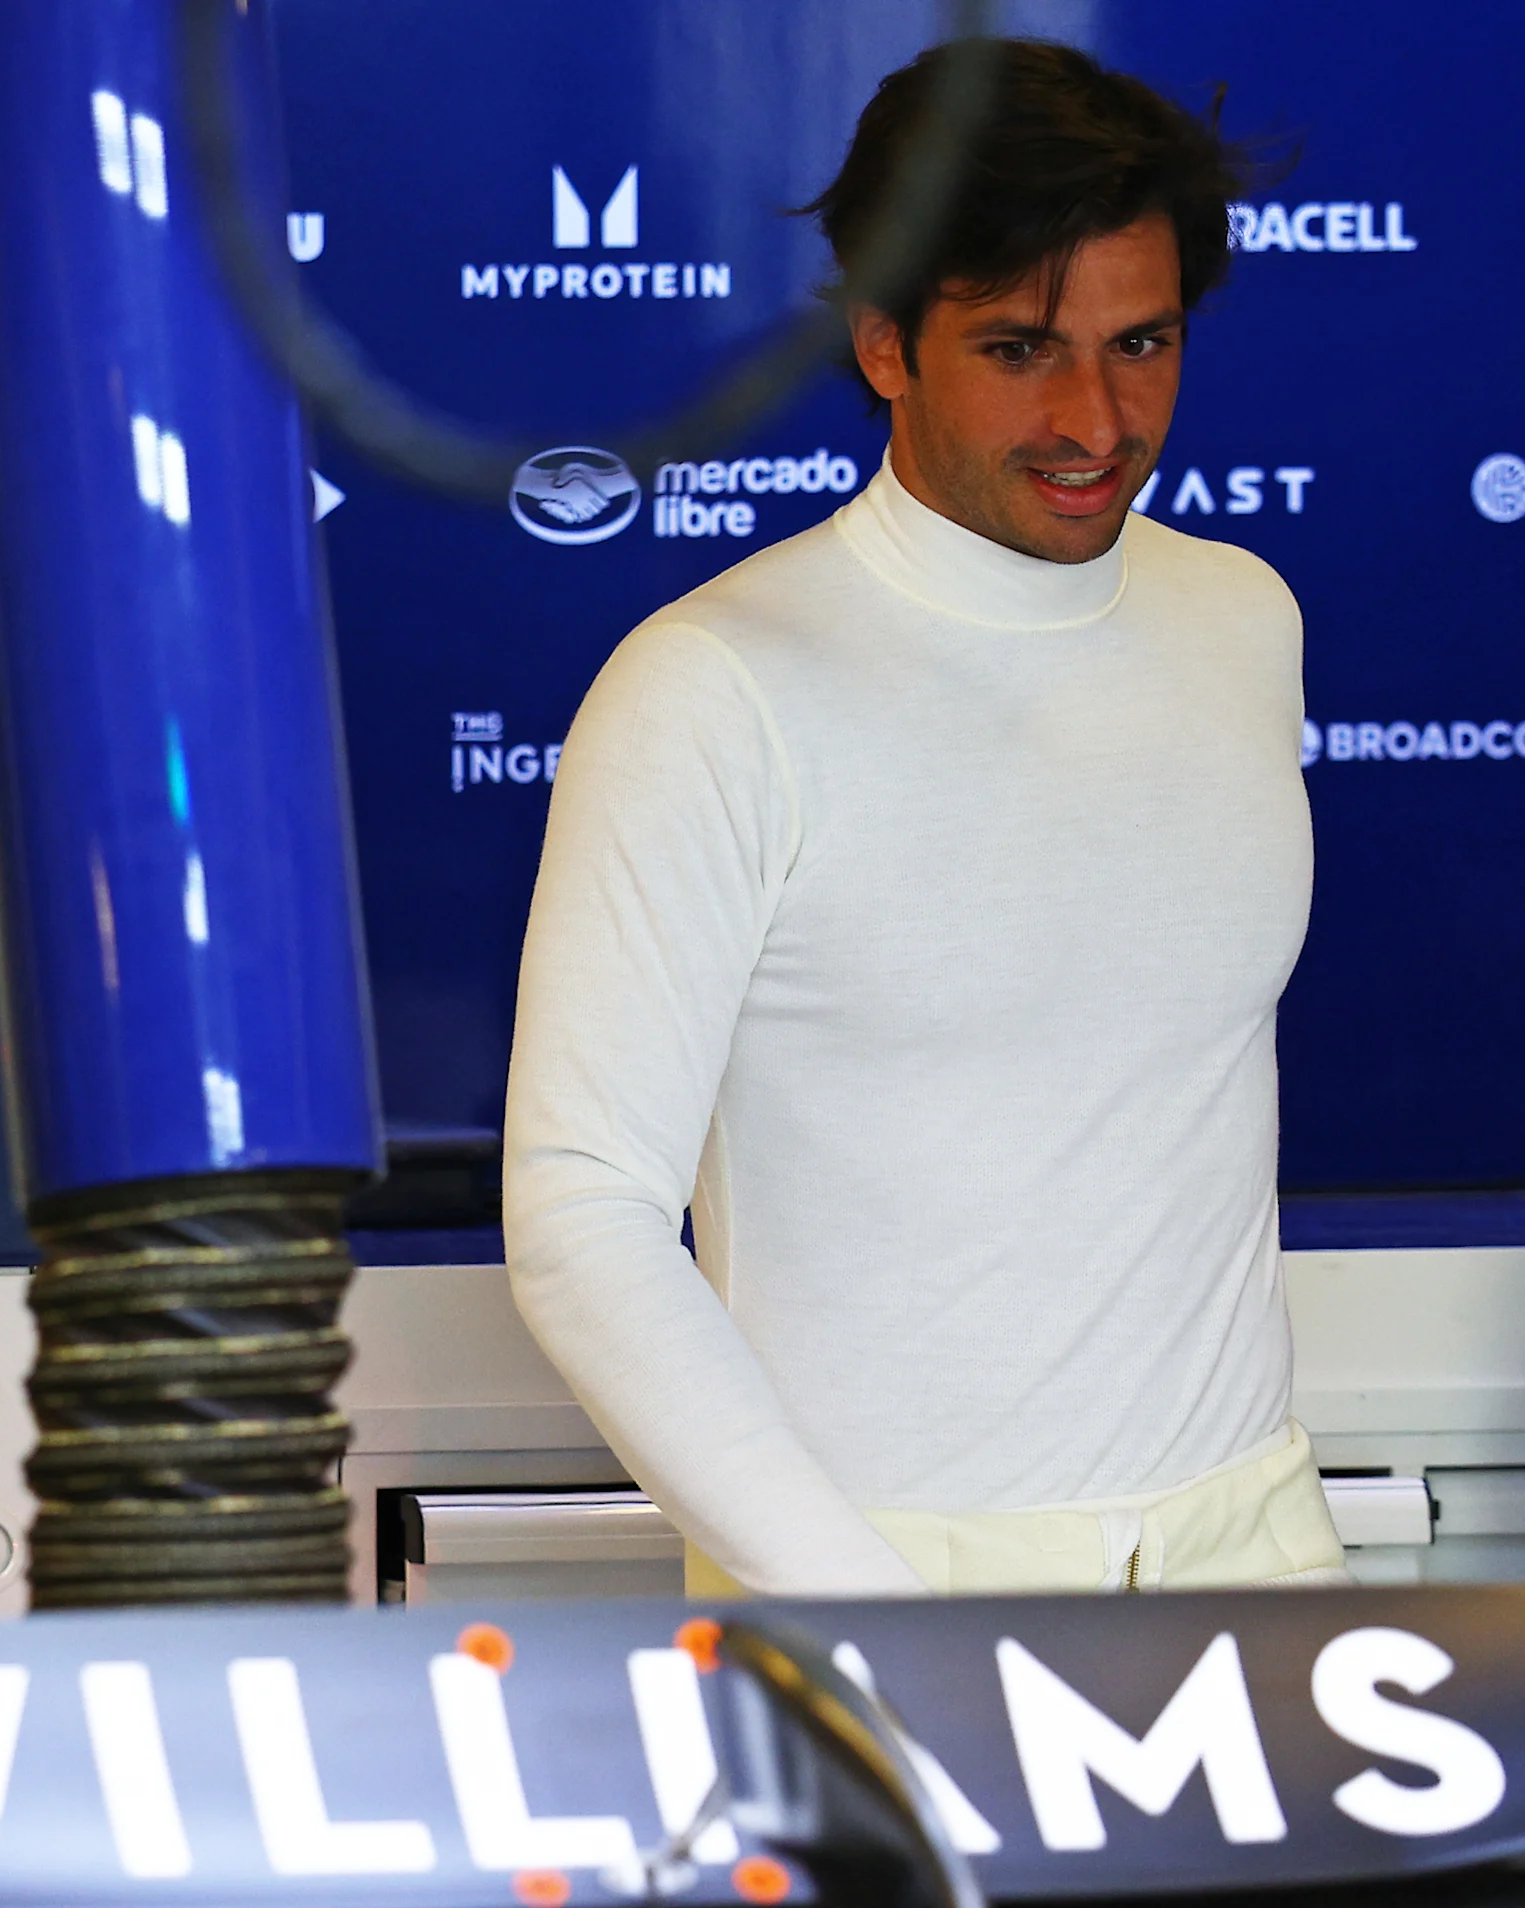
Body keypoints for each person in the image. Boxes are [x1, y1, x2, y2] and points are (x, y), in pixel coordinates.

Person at [502, 40, 1340, 1597]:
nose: (1098, 417)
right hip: (878, 1581)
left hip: (1251, 1545)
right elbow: (580, 1214)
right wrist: (866, 1616)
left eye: (1142, 342)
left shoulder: (1244, 619)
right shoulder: (712, 689)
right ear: (884, 344)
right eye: (1021, 349)